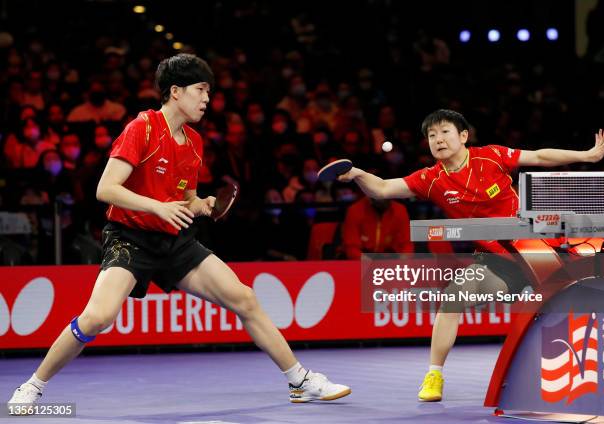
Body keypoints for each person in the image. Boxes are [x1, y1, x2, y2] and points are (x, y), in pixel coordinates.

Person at [8, 53, 350, 413]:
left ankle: (301, 379)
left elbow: (183, 196)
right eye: (201, 90)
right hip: (130, 238)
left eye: (208, 91)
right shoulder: (142, 128)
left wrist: (200, 203)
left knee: (244, 298)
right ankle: (33, 386)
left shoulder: (194, 143)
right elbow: (106, 188)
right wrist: (157, 206)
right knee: (98, 317)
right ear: (175, 91)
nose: (207, 99)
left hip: (174, 240)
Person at [335, 109, 604, 402]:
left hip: (539, 250)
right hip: (496, 263)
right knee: (453, 296)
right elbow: (384, 188)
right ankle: (434, 375)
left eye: (444, 132)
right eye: (431, 135)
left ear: (463, 136)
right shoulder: (431, 179)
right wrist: (358, 175)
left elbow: (539, 157)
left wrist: (587, 155)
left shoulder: (491, 156)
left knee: (580, 298)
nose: (437, 139)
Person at [342, 196, 413, 259]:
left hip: (388, 258)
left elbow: (406, 244)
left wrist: (403, 263)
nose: (382, 200)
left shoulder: (400, 210)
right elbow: (351, 248)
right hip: (362, 258)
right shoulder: (355, 210)